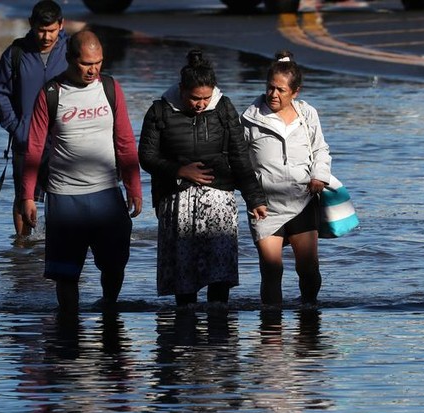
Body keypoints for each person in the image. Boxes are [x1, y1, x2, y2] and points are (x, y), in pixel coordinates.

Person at [21, 30, 143, 316]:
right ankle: (69, 330)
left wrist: (134, 186)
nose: (93, 70)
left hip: (106, 194)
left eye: (98, 62)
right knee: (66, 274)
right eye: (86, 63)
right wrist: (27, 196)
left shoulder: (110, 88)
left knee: (115, 265)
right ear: (69, 59)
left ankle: (109, 312)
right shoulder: (51, 94)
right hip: (64, 197)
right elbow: (35, 148)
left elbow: (125, 141)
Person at [138, 49, 267, 308]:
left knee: (219, 273)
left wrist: (254, 198)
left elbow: (239, 155)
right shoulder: (160, 111)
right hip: (177, 203)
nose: (200, 104)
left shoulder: (223, 108)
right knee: (183, 276)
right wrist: (179, 170)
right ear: (182, 90)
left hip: (219, 199)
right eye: (195, 98)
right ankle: (184, 332)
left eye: (206, 98)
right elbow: (146, 156)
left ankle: (219, 331)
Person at [240, 50, 332, 307]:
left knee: (308, 269)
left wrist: (319, 176)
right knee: (271, 269)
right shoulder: (249, 118)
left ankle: (309, 313)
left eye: (281, 90)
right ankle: (271, 328)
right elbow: (239, 162)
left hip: (302, 201)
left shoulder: (308, 115)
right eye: (270, 88)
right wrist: (251, 195)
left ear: (295, 92)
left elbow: (321, 150)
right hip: (264, 207)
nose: (274, 94)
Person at [0, 0, 68, 240]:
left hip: (64, 140)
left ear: (61, 25)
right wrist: (17, 129)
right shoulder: (15, 54)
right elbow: (2, 94)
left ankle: (62, 246)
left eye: (51, 30)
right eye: (41, 30)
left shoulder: (71, 51)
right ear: (31, 25)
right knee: (23, 197)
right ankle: (23, 251)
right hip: (25, 141)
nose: (46, 36)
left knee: (65, 197)